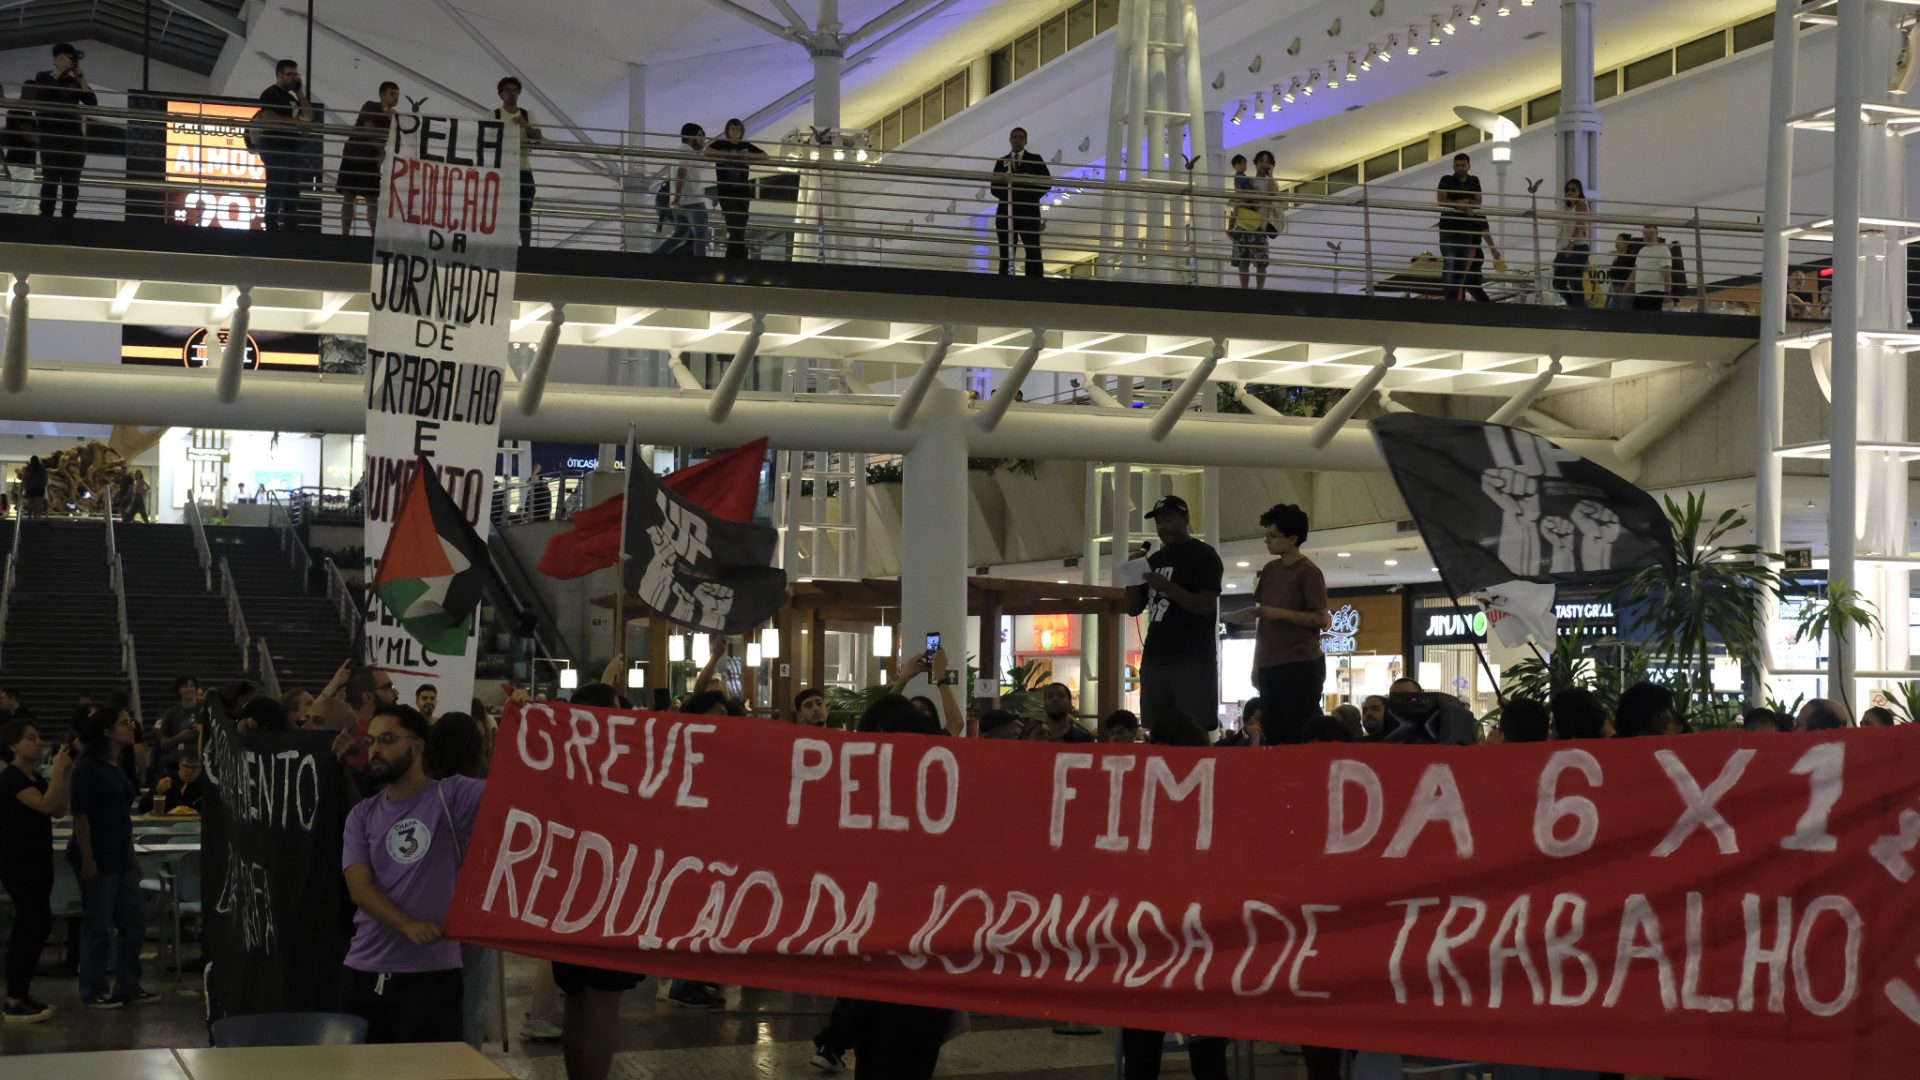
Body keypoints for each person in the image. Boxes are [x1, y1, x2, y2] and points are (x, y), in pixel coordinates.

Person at [341, 704, 485, 1044]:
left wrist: (525, 721)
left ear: (418, 747)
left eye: (387, 740)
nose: (375, 749)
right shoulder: (362, 815)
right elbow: (360, 889)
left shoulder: (453, 796)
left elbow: (518, 791)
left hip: (433, 973)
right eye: (372, 741)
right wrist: (408, 925)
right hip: (366, 968)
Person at [69, 706, 154, 1009]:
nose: (131, 727)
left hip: (120, 854)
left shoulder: (117, 764)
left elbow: (122, 815)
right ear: (107, 732)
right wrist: (88, 859)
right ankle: (93, 990)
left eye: (131, 721)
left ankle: (128, 985)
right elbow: (81, 816)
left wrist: (131, 853)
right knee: (99, 926)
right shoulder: (88, 767)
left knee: (134, 923)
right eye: (124, 723)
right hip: (98, 855)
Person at [1127, 495, 1224, 734]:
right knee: (1157, 728)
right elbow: (1133, 609)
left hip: (1192, 660)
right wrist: (1132, 574)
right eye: (1159, 522)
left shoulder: (1203, 556)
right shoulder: (1154, 560)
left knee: (1193, 730)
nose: (1162, 527)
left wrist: (1167, 587)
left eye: (1168, 520)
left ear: (1186, 519)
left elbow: (1205, 605)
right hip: (1155, 658)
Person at [1, 718, 73, 1022]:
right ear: (14, 745)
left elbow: (58, 810)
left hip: (38, 860)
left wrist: (65, 775)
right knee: (34, 925)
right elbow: (44, 805)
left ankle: (20, 994)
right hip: (18, 861)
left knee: (31, 926)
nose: (39, 742)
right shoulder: (12, 778)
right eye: (31, 738)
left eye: (39, 737)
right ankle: (14, 1000)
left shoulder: (35, 777)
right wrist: (57, 770)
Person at [1249, 503, 1331, 744]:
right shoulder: (1270, 570)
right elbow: (1262, 624)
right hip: (1271, 663)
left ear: (1293, 538)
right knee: (1274, 729)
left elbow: (1321, 618)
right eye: (1266, 535)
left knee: (1298, 729)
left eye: (1273, 536)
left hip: (1300, 663)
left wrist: (1280, 613)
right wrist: (1256, 663)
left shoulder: (1308, 572)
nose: (1268, 541)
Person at [23, 44, 97, 219]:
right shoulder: (43, 76)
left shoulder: (73, 82)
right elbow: (42, 93)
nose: (68, 62)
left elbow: (91, 102)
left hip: (74, 137)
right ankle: (46, 214)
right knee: (51, 177)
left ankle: (68, 217)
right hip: (51, 135)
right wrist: (57, 72)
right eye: (64, 58)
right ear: (56, 59)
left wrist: (81, 77)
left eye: (70, 59)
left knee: (72, 181)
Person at [256, 59, 314, 232]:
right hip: (274, 146)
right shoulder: (270, 93)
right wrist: (294, 123)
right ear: (279, 74)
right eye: (290, 74)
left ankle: (290, 224)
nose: (293, 78)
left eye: (296, 75)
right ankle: (271, 223)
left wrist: (300, 93)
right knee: (276, 183)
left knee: (292, 187)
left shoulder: (293, 98)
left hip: (292, 147)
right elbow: (268, 117)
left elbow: (309, 116)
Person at [338, 81, 398, 236]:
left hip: (369, 160)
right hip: (355, 156)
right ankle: (346, 234)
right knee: (350, 197)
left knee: (371, 200)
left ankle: (373, 236)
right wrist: (382, 151)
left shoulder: (393, 117)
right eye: (392, 93)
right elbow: (369, 129)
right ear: (382, 94)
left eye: (397, 94)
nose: (395, 98)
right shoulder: (371, 106)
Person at [990, 126, 1051, 277]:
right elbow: (994, 187)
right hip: (1006, 213)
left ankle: (1035, 284)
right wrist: (1012, 194)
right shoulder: (1001, 162)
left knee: (1032, 248)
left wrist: (1025, 194)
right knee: (1006, 251)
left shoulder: (1035, 159)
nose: (1017, 140)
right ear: (1010, 140)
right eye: (1015, 137)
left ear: (1025, 141)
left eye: (1020, 137)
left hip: (1028, 212)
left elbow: (1046, 182)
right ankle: (1004, 283)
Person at [708, 118, 766, 259]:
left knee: (740, 222)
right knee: (733, 221)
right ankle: (740, 253)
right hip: (726, 191)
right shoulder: (721, 143)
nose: (735, 132)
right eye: (733, 129)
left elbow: (765, 156)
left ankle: (734, 253)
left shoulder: (745, 145)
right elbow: (707, 151)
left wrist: (747, 155)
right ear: (727, 130)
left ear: (742, 132)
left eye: (738, 129)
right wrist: (728, 155)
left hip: (742, 191)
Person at [493, 77, 542, 246]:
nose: (512, 93)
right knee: (503, 210)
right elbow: (486, 138)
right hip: (503, 169)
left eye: (515, 90)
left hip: (523, 169)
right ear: (501, 94)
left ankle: (526, 248)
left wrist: (525, 125)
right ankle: (503, 244)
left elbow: (538, 138)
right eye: (508, 90)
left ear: (519, 93)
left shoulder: (527, 115)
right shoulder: (494, 115)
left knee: (524, 210)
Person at [1435, 152, 1482, 302]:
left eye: (1463, 165)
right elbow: (1441, 199)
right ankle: (1450, 300)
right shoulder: (1446, 179)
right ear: (1453, 166)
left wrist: (1465, 203)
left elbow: (1478, 202)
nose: (1460, 168)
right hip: (1449, 228)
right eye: (1457, 165)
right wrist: (1459, 205)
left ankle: (1457, 300)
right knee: (1450, 264)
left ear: (1469, 166)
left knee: (1462, 267)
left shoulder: (1474, 180)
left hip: (1466, 229)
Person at [669, 122, 714, 256]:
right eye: (699, 135)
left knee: (679, 236)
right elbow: (681, 172)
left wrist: (676, 199)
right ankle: (700, 265)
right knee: (701, 236)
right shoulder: (686, 150)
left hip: (681, 204)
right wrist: (677, 196)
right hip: (692, 202)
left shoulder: (683, 151)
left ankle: (658, 256)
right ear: (689, 136)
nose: (703, 139)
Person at [1553, 178, 1593, 308]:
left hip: (1576, 246)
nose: (1569, 192)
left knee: (1575, 283)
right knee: (1558, 282)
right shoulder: (1569, 208)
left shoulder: (1581, 204)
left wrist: (1572, 241)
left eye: (1573, 190)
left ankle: (1578, 310)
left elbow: (1580, 225)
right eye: (1567, 190)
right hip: (1565, 248)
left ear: (1579, 192)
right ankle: (1575, 307)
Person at [1027, 681, 1094, 743]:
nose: (1055, 699)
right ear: (1044, 704)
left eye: (1061, 696)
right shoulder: (1033, 738)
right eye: (1050, 696)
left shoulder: (1083, 739)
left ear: (1070, 703)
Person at [1631, 224, 1671, 312]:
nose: (1648, 236)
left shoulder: (1663, 250)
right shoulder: (1641, 251)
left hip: (1654, 292)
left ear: (1657, 233)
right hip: (1640, 292)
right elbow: (1635, 271)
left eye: (1650, 233)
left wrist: (1667, 293)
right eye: (1645, 233)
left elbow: (1667, 273)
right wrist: (1627, 288)